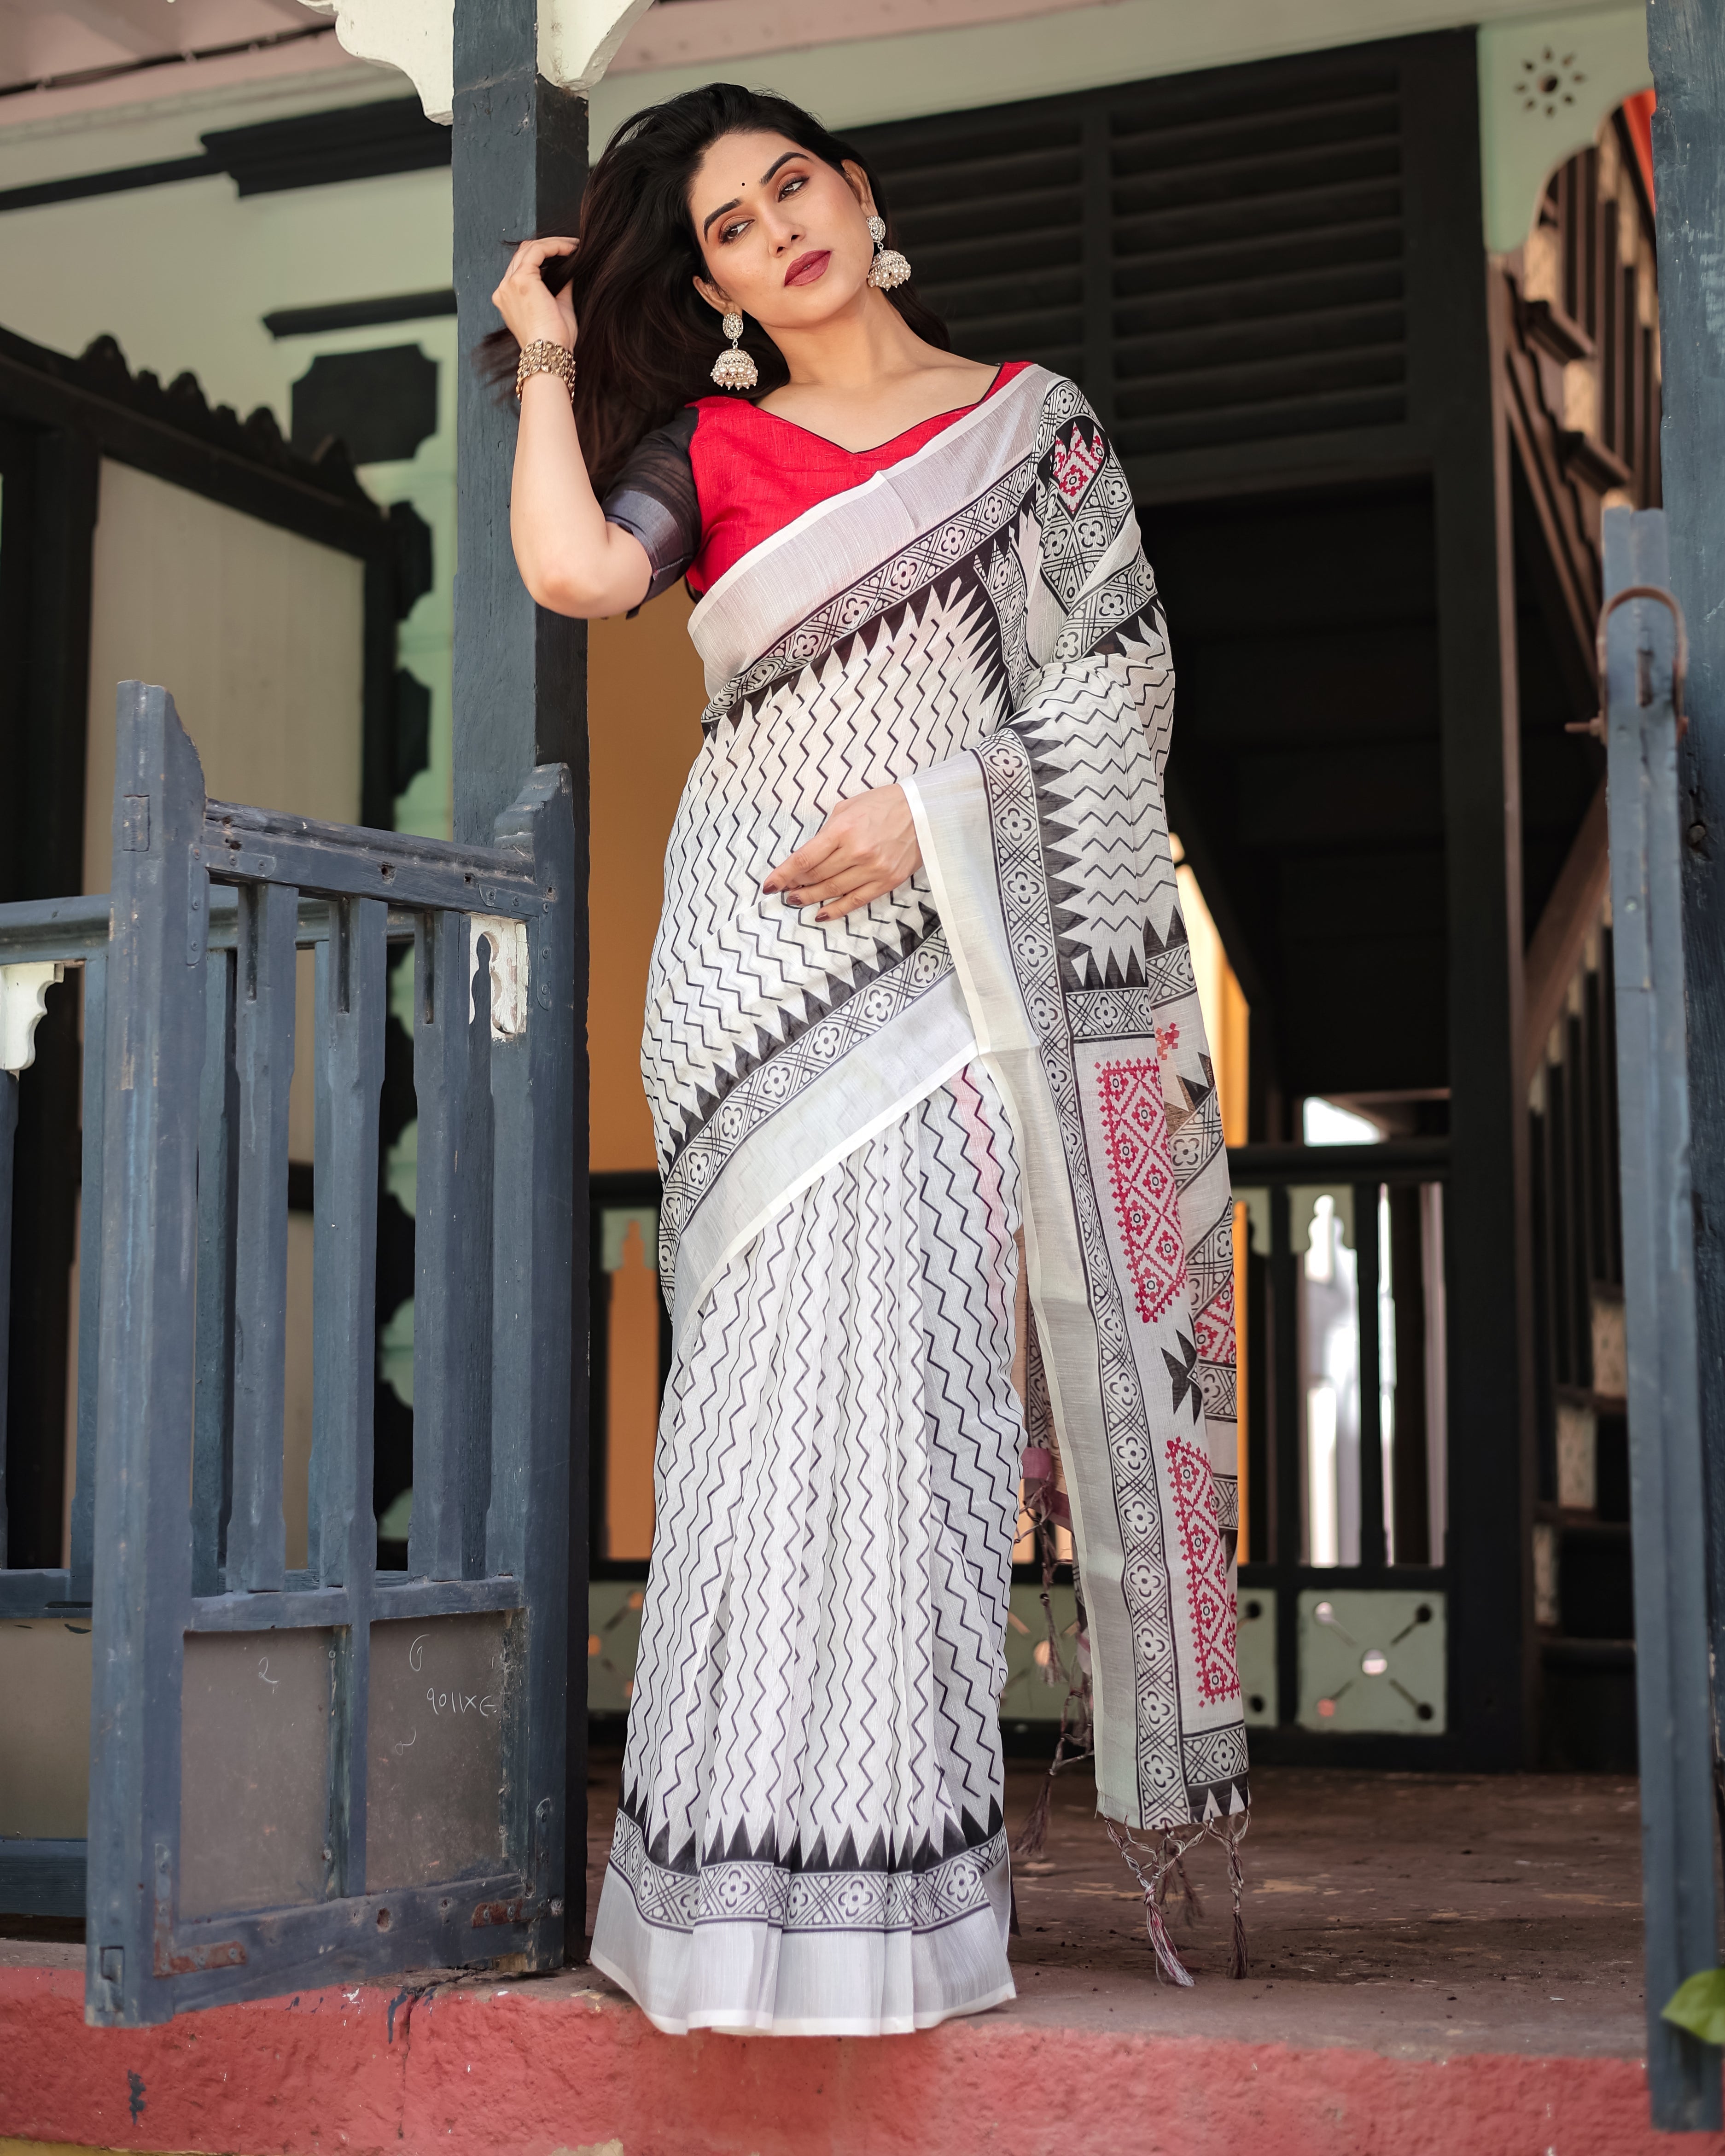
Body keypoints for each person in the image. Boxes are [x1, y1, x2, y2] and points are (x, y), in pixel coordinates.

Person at [485, 82, 1248, 2039]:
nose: (772, 232)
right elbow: (575, 577)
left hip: (955, 963)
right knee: (756, 1412)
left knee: (916, 1399)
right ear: (715, 279)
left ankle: (887, 1905)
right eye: (727, 226)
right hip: (749, 968)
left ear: (860, 189)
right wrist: (551, 358)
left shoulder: (1032, 427)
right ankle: (719, 1895)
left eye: (789, 186)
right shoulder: (709, 444)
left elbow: (1116, 678)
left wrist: (938, 810)